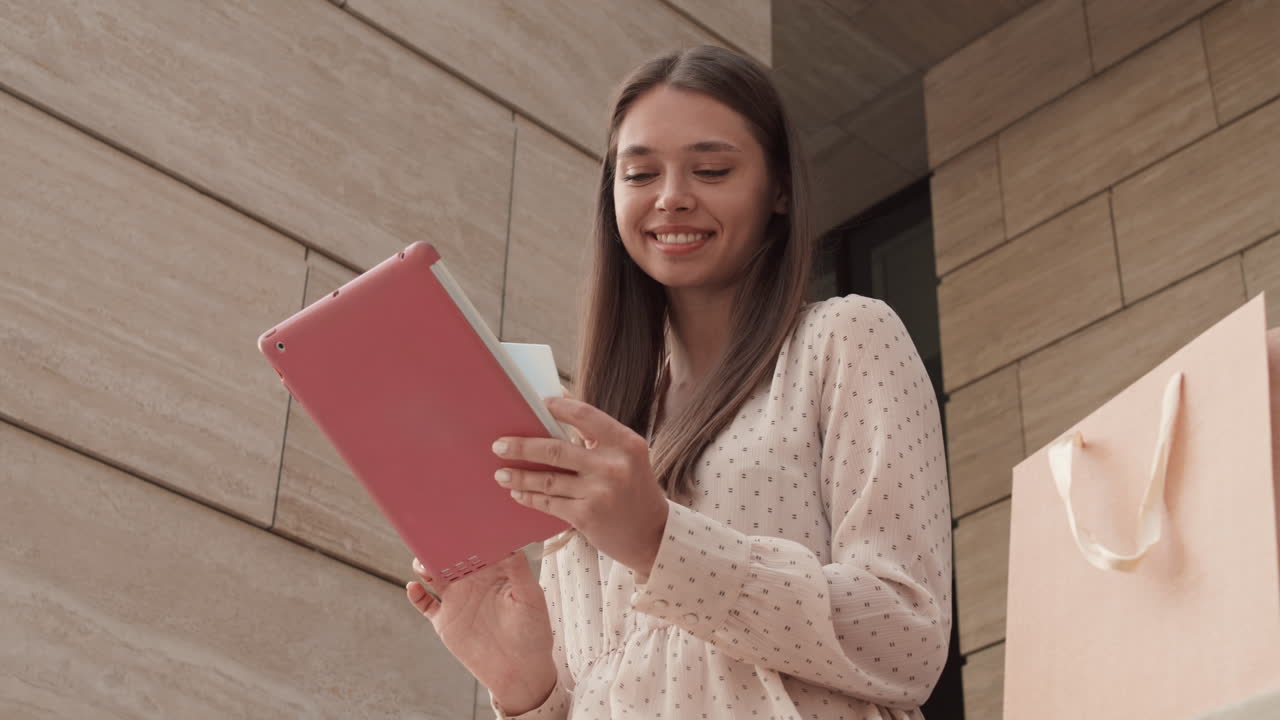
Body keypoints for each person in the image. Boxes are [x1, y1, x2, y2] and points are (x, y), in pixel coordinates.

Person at [405, 44, 953, 720]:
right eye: (639, 174)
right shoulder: (597, 438)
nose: (671, 197)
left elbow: (908, 636)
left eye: (712, 169)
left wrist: (662, 544)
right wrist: (527, 686)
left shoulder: (844, 340)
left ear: (779, 187)